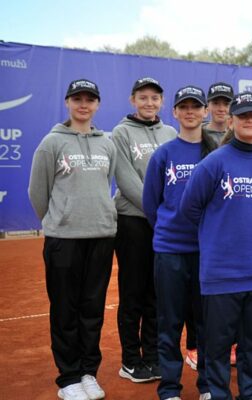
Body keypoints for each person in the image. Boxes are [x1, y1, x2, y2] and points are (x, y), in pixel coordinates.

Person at [180, 91, 252, 400]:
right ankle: (218, 394)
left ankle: (251, 394)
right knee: (218, 346)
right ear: (232, 120)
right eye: (244, 116)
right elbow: (189, 208)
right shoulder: (214, 162)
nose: (250, 120)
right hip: (221, 274)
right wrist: (218, 234)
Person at [28, 79, 116, 400]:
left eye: (90, 99)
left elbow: (107, 182)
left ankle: (88, 372)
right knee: (65, 309)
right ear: (67, 103)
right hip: (63, 240)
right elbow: (38, 192)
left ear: (97, 105)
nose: (83, 104)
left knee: (92, 309)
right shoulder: (51, 143)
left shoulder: (107, 143)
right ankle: (68, 379)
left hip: (101, 237)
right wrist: (57, 221)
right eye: (77, 98)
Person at [142, 85, 216, 400]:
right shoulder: (164, 154)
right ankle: (170, 387)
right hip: (170, 252)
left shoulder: (214, 154)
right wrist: (170, 232)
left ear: (205, 112)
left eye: (195, 106)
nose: (189, 112)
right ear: (174, 112)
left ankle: (207, 385)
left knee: (206, 323)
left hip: (206, 253)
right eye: (183, 106)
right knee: (169, 321)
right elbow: (150, 203)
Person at [112, 77, 177, 383]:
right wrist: (161, 212)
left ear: (161, 103)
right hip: (133, 223)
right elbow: (126, 182)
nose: (149, 103)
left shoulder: (170, 132)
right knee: (133, 292)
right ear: (132, 100)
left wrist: (167, 215)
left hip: (164, 225)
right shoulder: (120, 133)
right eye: (143, 97)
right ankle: (130, 360)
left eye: (154, 98)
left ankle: (152, 356)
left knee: (157, 293)